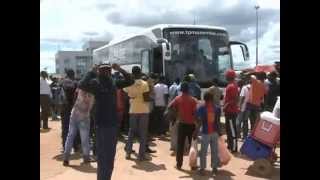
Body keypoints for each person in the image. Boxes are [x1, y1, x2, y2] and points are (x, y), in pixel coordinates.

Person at [79, 63, 134, 180]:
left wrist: (119, 69)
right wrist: (92, 71)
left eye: (107, 70)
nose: (107, 72)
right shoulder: (100, 83)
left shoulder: (110, 83)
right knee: (105, 155)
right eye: (105, 70)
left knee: (107, 156)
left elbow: (130, 81)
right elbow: (82, 85)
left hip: (108, 124)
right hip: (105, 124)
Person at [124, 66, 152, 161]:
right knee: (143, 133)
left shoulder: (129, 84)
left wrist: (132, 97)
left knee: (131, 132)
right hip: (144, 110)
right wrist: (151, 98)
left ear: (132, 73)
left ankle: (128, 153)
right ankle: (141, 155)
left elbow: (126, 94)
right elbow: (146, 98)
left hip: (133, 110)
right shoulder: (144, 84)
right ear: (140, 73)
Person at [168, 82, 198, 170]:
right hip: (191, 125)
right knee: (192, 145)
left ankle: (179, 164)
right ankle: (193, 165)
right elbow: (196, 113)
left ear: (181, 89)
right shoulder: (193, 100)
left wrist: (175, 114)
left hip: (181, 124)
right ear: (188, 90)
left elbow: (170, 106)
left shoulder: (178, 99)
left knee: (180, 145)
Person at [63, 88, 95, 166]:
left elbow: (74, 98)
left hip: (74, 113)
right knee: (84, 138)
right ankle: (86, 158)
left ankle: (66, 158)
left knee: (70, 136)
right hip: (84, 116)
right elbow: (90, 107)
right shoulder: (92, 92)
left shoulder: (80, 87)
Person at [196, 91, 221, 176]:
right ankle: (214, 168)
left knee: (203, 151)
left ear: (205, 99)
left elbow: (199, 122)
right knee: (214, 151)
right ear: (212, 99)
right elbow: (218, 121)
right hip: (214, 132)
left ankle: (202, 169)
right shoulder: (217, 108)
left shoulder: (201, 108)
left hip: (205, 133)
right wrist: (219, 132)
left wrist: (196, 132)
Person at [60, 69, 80, 152]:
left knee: (65, 127)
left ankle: (66, 146)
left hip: (64, 107)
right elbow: (70, 89)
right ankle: (75, 146)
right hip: (71, 107)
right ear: (73, 74)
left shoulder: (62, 82)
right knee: (74, 127)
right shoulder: (73, 82)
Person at [243, 72, 267, 138]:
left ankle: (245, 136)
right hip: (257, 106)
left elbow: (248, 75)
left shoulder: (255, 81)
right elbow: (262, 97)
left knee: (245, 120)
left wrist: (254, 72)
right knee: (254, 122)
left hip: (250, 105)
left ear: (258, 76)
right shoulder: (264, 86)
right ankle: (252, 135)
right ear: (264, 78)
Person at [223, 69, 240, 153]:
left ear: (229, 76)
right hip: (229, 111)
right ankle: (230, 145)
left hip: (231, 111)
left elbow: (235, 99)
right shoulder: (232, 85)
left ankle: (234, 147)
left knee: (232, 129)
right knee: (229, 129)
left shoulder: (232, 86)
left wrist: (226, 105)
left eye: (226, 75)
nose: (225, 76)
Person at [236, 73, 250, 139]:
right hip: (248, 107)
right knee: (245, 121)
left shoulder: (243, 88)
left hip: (242, 107)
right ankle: (245, 136)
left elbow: (241, 98)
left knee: (238, 121)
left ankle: (238, 134)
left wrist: (239, 106)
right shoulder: (248, 87)